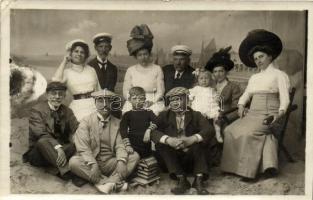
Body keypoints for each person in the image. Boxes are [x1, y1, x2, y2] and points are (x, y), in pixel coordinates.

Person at [220, 29, 290, 181]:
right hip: (252, 114)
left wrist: (279, 114)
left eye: (261, 56)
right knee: (230, 130)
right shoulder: (255, 77)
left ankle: (249, 171)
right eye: (256, 58)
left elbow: (285, 99)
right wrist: (240, 106)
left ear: (270, 56)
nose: (258, 61)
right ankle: (232, 167)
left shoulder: (280, 75)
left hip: (269, 114)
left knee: (249, 133)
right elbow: (246, 95)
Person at [69, 89, 140, 194]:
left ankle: (108, 183)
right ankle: (108, 182)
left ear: (112, 103)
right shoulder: (86, 121)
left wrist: (121, 160)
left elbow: (120, 145)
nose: (105, 104)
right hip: (92, 161)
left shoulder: (118, 123)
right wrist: (93, 164)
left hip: (111, 162)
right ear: (95, 103)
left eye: (108, 101)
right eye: (101, 101)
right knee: (73, 162)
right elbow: (83, 147)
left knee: (134, 156)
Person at [152, 87, 215, 195]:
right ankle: (181, 179)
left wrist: (192, 139)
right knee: (161, 145)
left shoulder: (196, 115)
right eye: (172, 100)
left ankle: (199, 180)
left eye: (178, 99)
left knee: (200, 142)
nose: (175, 103)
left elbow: (209, 130)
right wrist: (168, 140)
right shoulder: (164, 115)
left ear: (187, 100)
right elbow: (153, 131)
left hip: (193, 159)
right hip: (174, 160)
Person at [23, 81, 85, 186]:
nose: (57, 97)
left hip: (61, 151)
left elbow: (77, 128)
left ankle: (55, 169)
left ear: (64, 96)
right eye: (54, 93)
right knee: (42, 141)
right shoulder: (36, 110)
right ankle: (67, 172)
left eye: (60, 94)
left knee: (74, 145)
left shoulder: (67, 111)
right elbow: (41, 133)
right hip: (39, 153)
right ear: (47, 95)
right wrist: (57, 147)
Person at [52, 39, 100, 121]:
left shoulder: (91, 70)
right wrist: (64, 61)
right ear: (70, 54)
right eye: (76, 51)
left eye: (82, 52)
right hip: (78, 106)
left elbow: (99, 89)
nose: (79, 54)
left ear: (85, 55)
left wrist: (101, 106)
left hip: (94, 106)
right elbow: (56, 81)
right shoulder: (67, 72)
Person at [123, 24, 165, 116]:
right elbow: (126, 91)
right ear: (135, 57)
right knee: (128, 113)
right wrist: (134, 101)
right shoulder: (131, 70)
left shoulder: (157, 69)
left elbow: (160, 90)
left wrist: (152, 102)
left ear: (149, 54)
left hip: (152, 101)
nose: (143, 57)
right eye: (140, 55)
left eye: (145, 54)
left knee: (154, 114)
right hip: (134, 101)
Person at [205, 46, 242, 127]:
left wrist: (225, 118)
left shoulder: (234, 87)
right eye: (215, 71)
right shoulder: (209, 86)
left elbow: (236, 107)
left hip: (225, 120)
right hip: (208, 118)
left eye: (221, 71)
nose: (218, 74)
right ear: (213, 73)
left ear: (226, 72)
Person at [120, 87, 158, 158]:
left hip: (146, 143)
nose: (138, 101)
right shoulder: (127, 114)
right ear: (129, 100)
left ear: (144, 99)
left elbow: (157, 121)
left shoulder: (148, 112)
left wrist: (149, 130)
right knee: (134, 161)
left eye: (141, 98)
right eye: (134, 98)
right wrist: (127, 145)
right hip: (132, 144)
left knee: (147, 163)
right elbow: (123, 130)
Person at [189, 69, 222, 143]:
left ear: (210, 80)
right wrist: (189, 101)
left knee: (217, 118)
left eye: (206, 78)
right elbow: (189, 97)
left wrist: (217, 98)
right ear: (197, 80)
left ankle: (218, 133)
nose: (204, 80)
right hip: (199, 107)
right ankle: (196, 135)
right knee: (197, 119)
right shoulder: (196, 89)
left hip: (210, 107)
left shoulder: (212, 89)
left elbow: (216, 99)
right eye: (201, 78)